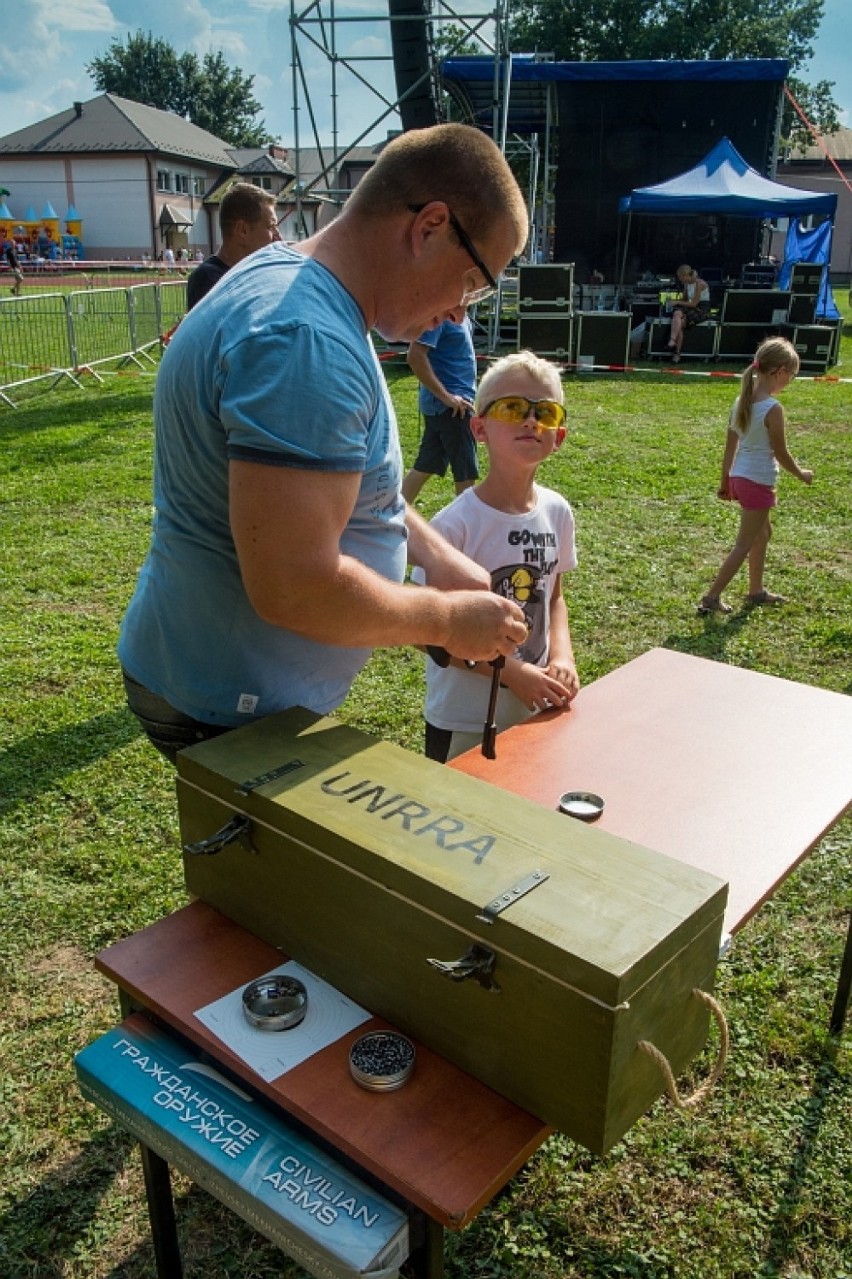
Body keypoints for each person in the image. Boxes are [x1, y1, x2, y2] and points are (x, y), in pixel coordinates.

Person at [118, 123, 530, 763]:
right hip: (228, 706)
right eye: (476, 281)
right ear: (430, 226)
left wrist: (435, 557)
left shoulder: (304, 287)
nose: (460, 313)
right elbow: (294, 586)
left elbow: (356, 488)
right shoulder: (305, 339)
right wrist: (447, 621)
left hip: (220, 678)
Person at [413, 350, 580, 763]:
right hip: (464, 721)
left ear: (557, 436)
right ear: (479, 427)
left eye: (546, 412)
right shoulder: (454, 526)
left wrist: (562, 656)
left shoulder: (557, 511)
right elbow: (424, 632)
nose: (530, 420)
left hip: (533, 708)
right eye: (511, 407)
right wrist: (512, 671)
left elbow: (554, 596)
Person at [698, 337, 813, 616]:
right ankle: (712, 596)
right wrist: (801, 474)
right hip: (758, 481)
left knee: (763, 533)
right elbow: (781, 453)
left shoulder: (742, 401)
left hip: (741, 477)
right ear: (780, 371)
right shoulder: (772, 409)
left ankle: (756, 590)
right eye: (792, 375)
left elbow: (730, 445)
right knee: (744, 543)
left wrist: (726, 480)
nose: (791, 380)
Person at [401, 314, 478, 503]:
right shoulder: (440, 315)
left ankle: (387, 516)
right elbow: (415, 356)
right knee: (465, 474)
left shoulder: (461, 316)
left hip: (446, 407)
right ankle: (467, 529)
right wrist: (448, 398)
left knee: (425, 466)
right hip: (453, 409)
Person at [186, 183, 281, 310]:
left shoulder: (250, 272)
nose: (278, 237)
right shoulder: (209, 279)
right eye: (271, 227)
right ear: (243, 230)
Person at [667, 264, 710, 363]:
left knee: (679, 324)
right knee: (677, 313)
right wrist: (674, 301)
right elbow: (684, 300)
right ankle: (673, 340)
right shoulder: (686, 284)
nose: (680, 280)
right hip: (690, 308)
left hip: (701, 309)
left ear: (686, 276)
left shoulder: (700, 284)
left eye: (681, 277)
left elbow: (694, 303)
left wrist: (677, 302)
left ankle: (676, 353)